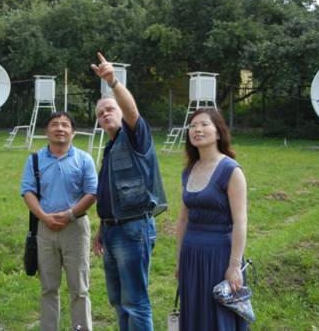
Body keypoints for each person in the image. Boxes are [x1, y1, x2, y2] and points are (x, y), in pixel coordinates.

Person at [90, 53, 167, 331]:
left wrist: (113, 82)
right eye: (100, 114)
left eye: (110, 109)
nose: (105, 114)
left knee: (135, 302)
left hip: (133, 230)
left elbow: (133, 111)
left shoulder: (136, 137)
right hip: (112, 231)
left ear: (121, 111)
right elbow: (112, 193)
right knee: (118, 301)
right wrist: (102, 228)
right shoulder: (110, 148)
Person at [20, 111, 98, 331]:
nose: (60, 129)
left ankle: (81, 328)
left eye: (65, 125)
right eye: (55, 124)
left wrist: (70, 214)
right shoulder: (35, 159)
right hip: (44, 228)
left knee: (79, 288)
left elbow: (92, 192)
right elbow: (27, 191)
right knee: (48, 287)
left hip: (75, 228)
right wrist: (44, 217)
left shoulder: (84, 159)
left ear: (73, 132)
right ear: (46, 132)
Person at [175, 108, 248, 330]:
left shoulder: (231, 170)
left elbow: (240, 221)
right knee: (195, 315)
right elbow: (183, 220)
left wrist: (234, 266)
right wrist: (179, 260)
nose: (197, 129)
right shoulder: (189, 171)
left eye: (204, 124)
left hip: (219, 256)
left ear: (218, 132)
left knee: (217, 318)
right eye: (193, 125)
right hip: (191, 255)